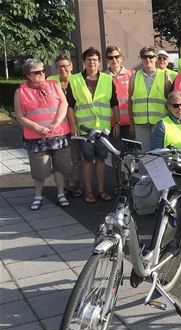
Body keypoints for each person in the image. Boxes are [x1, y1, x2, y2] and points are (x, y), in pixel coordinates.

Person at [14, 59, 72, 210]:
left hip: (58, 134)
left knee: (60, 167)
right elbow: (20, 116)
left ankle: (61, 194)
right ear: (28, 75)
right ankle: (38, 196)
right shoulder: (21, 91)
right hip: (36, 137)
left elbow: (64, 104)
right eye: (37, 72)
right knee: (39, 170)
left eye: (43, 71)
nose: (41, 74)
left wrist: (55, 123)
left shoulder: (53, 84)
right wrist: (36, 127)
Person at [66, 47, 119, 204]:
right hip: (85, 128)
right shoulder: (75, 80)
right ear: (84, 61)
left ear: (99, 61)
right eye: (89, 60)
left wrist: (116, 122)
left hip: (103, 128)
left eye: (95, 60)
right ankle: (88, 192)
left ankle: (101, 190)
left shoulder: (107, 79)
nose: (92, 63)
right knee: (88, 160)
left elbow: (114, 103)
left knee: (101, 159)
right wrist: (73, 125)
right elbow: (69, 105)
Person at [48, 54, 83, 198]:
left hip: (76, 123)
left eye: (66, 66)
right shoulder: (50, 81)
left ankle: (76, 185)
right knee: (62, 157)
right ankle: (65, 184)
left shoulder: (78, 80)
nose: (63, 69)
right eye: (60, 66)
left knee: (76, 156)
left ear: (71, 67)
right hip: (58, 126)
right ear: (56, 68)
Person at [128, 46, 172, 151]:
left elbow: (170, 101)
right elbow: (130, 101)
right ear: (141, 59)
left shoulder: (165, 76)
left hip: (159, 123)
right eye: (144, 57)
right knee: (143, 155)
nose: (148, 59)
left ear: (156, 58)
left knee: (160, 153)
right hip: (140, 124)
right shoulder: (134, 77)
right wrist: (131, 124)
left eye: (151, 56)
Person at [105, 45, 135, 191]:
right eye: (111, 57)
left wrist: (133, 122)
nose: (114, 60)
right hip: (113, 123)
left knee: (130, 154)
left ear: (122, 58)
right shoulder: (103, 77)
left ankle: (131, 182)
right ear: (107, 60)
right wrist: (115, 122)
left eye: (117, 56)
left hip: (130, 122)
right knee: (116, 154)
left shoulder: (132, 74)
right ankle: (119, 183)